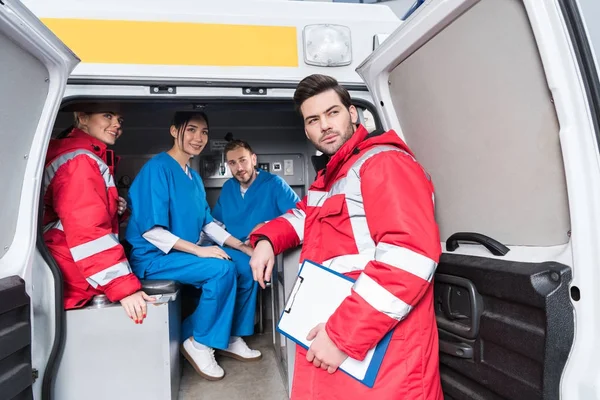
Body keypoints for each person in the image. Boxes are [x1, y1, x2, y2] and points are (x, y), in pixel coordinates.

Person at [249, 75, 443, 399]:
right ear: (307, 130)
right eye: (313, 119)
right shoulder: (333, 175)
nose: (325, 125)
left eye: (332, 112)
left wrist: (342, 337)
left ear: (353, 114)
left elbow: (409, 259)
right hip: (341, 336)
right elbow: (303, 216)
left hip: (379, 349)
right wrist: (267, 240)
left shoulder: (383, 163)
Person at [125, 111, 262, 382]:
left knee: (246, 267)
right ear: (174, 131)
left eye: (204, 132)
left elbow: (207, 224)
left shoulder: (194, 178)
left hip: (180, 254)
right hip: (153, 258)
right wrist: (200, 250)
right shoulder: (157, 169)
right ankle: (198, 342)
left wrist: (243, 247)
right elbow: (151, 231)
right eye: (191, 130)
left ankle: (232, 335)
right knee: (220, 270)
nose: (199, 138)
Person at [42, 104, 153, 324]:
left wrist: (113, 206)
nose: (116, 125)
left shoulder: (80, 155)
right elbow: (88, 231)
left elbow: (78, 212)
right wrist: (121, 286)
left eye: (119, 120)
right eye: (108, 116)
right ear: (82, 118)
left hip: (74, 264)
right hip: (74, 269)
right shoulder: (80, 161)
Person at [212, 139, 300, 244]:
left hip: (266, 249)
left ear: (253, 159)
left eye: (243, 160)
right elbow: (215, 223)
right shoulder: (228, 188)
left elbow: (299, 217)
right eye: (232, 163)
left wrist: (266, 225)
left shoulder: (274, 184)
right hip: (235, 250)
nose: (239, 168)